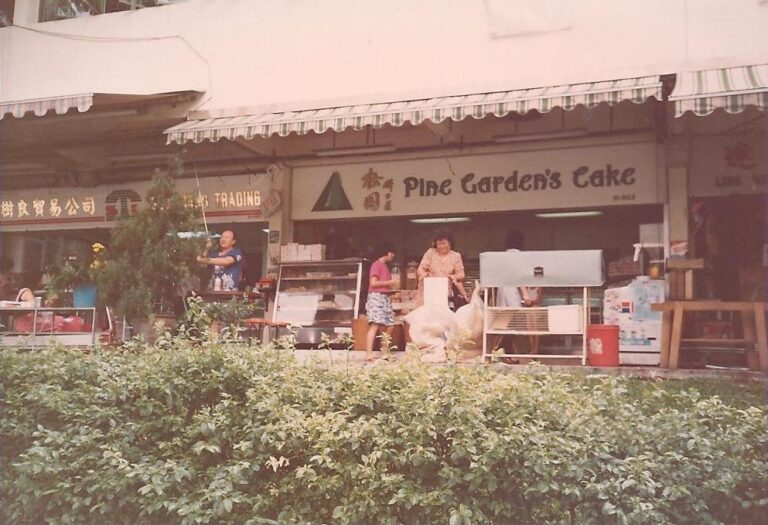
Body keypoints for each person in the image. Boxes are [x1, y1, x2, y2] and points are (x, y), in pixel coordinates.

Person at [498, 230, 543, 354]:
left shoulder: (502, 256)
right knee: (517, 322)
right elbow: (519, 276)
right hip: (512, 292)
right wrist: (525, 294)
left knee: (505, 324)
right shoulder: (519, 256)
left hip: (502, 291)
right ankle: (499, 349)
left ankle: (506, 352)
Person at [415, 230, 468, 309]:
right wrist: (423, 274)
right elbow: (420, 269)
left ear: (450, 242)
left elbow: (461, 274)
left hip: (445, 295)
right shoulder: (430, 253)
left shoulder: (456, 256)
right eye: (439, 244)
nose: (441, 246)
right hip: (428, 294)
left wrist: (455, 277)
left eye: (444, 243)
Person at [365, 242, 399, 362]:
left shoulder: (384, 266)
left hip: (384, 297)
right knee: (375, 324)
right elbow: (373, 283)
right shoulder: (376, 265)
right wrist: (390, 283)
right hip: (376, 297)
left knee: (390, 324)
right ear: (388, 253)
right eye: (392, 253)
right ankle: (368, 353)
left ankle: (385, 351)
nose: (393, 256)